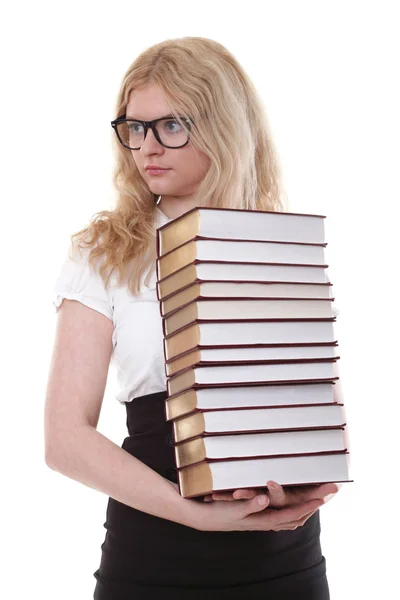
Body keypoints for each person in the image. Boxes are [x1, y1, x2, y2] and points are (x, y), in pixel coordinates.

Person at [44, 36, 344, 599]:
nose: (147, 147)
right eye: (134, 128)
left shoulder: (278, 244)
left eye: (171, 126)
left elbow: (305, 406)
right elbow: (64, 439)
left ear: (223, 126)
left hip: (283, 555)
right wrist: (194, 514)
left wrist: (296, 490)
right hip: (153, 548)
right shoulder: (106, 251)